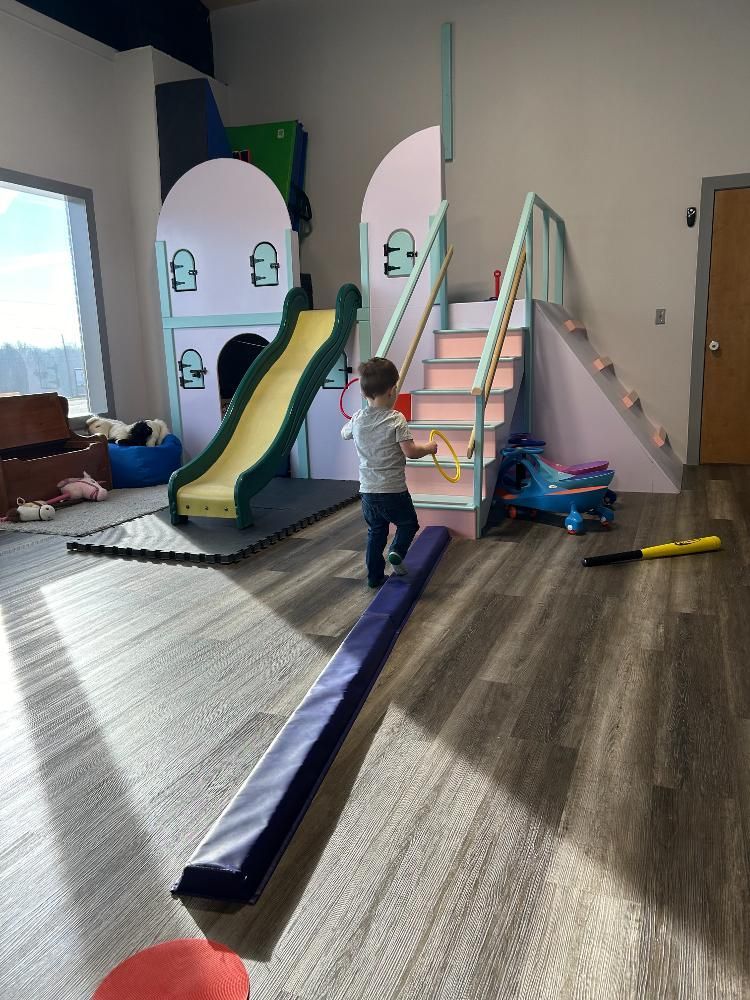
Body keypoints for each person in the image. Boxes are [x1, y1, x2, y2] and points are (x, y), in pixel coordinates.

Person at [341, 357, 438, 587]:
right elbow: (411, 452)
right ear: (392, 391)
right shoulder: (396, 419)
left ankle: (374, 577)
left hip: (367, 491)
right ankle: (396, 551)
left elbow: (344, 434)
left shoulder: (357, 418)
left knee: (376, 532)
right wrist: (430, 448)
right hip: (393, 490)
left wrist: (355, 427)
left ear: (365, 394)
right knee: (407, 525)